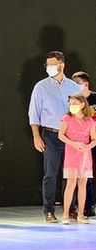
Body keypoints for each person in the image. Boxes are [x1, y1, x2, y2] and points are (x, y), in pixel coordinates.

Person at [28, 51, 80, 223]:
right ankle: (49, 210)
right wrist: (36, 136)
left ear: (62, 65)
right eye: (47, 65)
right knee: (50, 174)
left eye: (53, 64)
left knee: (70, 174)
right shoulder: (41, 87)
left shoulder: (74, 87)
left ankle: (69, 209)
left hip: (71, 135)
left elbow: (81, 111)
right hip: (50, 134)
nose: (49, 67)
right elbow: (34, 113)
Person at [58, 94, 96, 224]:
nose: (72, 106)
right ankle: (65, 214)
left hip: (85, 155)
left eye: (74, 103)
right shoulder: (67, 118)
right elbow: (61, 135)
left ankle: (81, 214)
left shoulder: (90, 121)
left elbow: (94, 139)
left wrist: (88, 146)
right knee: (71, 183)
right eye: (70, 104)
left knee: (82, 184)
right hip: (72, 153)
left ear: (82, 104)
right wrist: (74, 144)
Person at [72, 71, 96, 217]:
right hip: (82, 142)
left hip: (94, 139)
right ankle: (88, 205)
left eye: (78, 83)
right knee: (85, 175)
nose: (75, 86)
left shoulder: (94, 97)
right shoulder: (75, 102)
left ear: (86, 84)